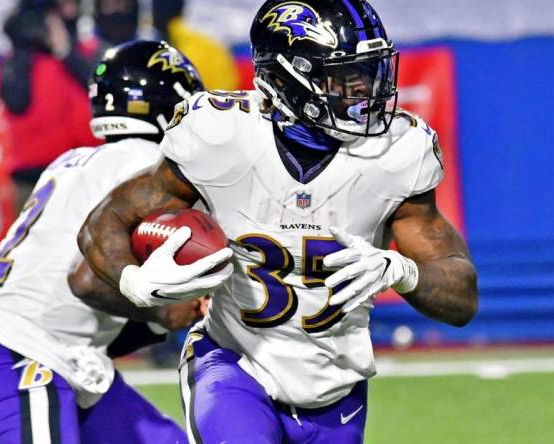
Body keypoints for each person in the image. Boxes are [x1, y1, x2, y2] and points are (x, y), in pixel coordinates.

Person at [77, 1, 479, 442]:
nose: (365, 90)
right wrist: (134, 283)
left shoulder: (396, 153)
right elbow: (104, 223)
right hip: (232, 364)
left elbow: (461, 298)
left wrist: (401, 271)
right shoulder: (222, 135)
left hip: (335, 386)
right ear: (287, 78)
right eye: (344, 76)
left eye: (369, 71)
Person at [0, 41, 205, 444]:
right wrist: (165, 311)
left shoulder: (77, 160)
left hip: (59, 353)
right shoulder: (145, 169)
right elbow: (85, 283)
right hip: (25, 354)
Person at [0, 0, 100, 210]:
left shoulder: (88, 52)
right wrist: (23, 44)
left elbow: (101, 91)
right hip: (35, 182)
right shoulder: (21, 60)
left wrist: (66, 53)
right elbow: (16, 101)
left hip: (88, 176)